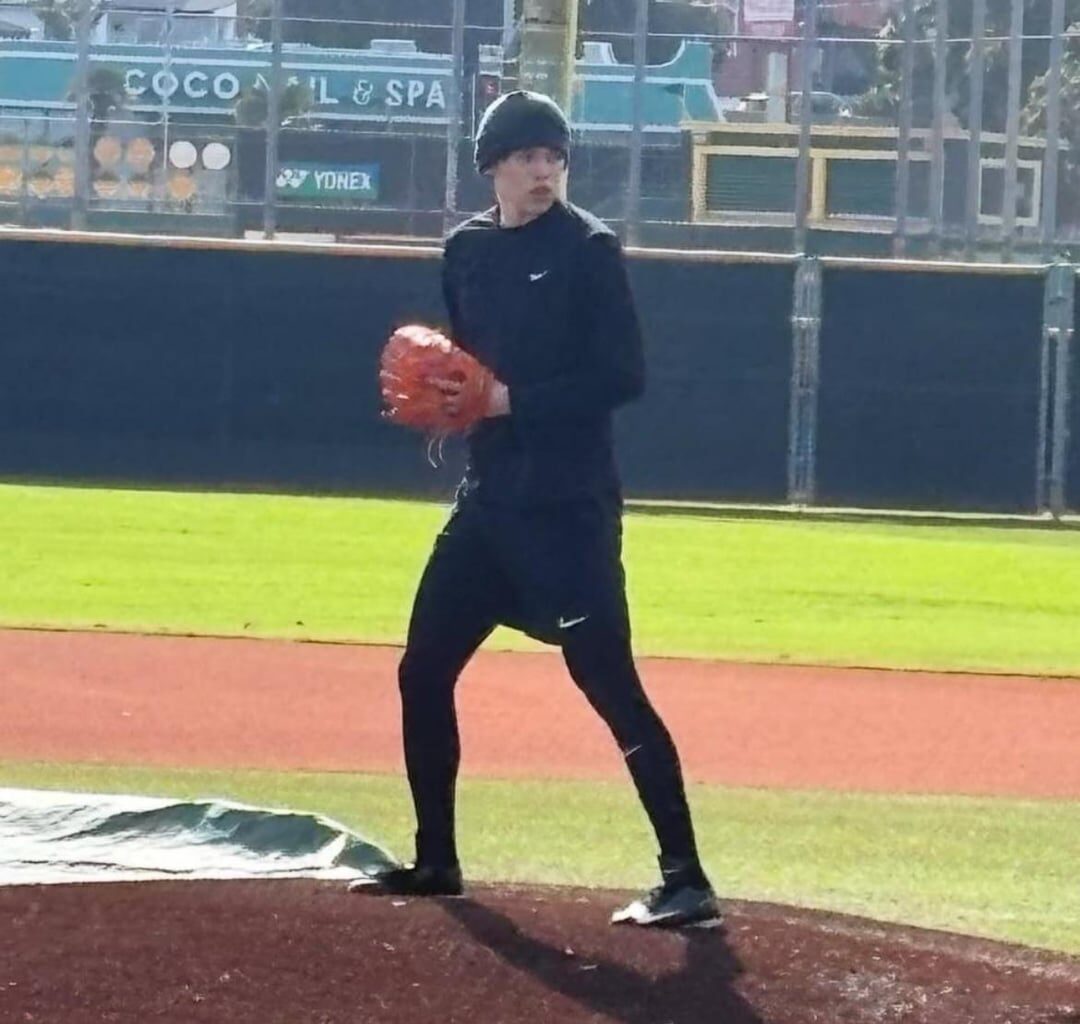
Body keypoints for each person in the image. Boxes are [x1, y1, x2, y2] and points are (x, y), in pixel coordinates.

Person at [352, 91, 717, 927]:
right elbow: (468, 364)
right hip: (489, 502)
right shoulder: (468, 250)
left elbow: (624, 377)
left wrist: (512, 399)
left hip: (567, 506)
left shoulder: (589, 250)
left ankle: (686, 877)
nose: (543, 169)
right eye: (525, 156)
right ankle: (437, 859)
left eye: (554, 156)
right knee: (423, 668)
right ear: (493, 167)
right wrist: (454, 399)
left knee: (608, 683)